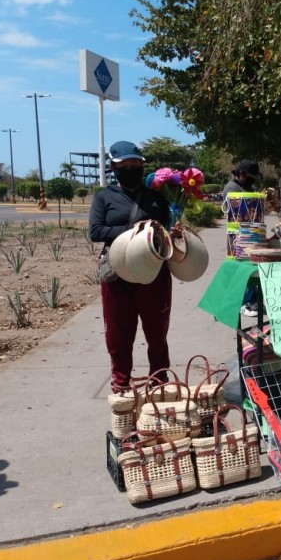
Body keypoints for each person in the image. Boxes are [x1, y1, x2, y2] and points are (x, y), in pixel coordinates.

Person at [88, 141, 172, 392]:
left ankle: (159, 382)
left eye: (135, 163)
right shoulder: (104, 197)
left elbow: (165, 229)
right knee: (118, 334)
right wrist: (133, 230)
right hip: (118, 274)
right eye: (125, 164)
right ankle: (121, 384)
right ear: (114, 167)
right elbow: (95, 231)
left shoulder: (156, 197)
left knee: (157, 333)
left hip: (154, 273)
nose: (131, 168)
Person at [222, 160, 264, 317]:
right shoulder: (231, 189)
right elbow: (237, 212)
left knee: (252, 269)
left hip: (252, 234)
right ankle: (244, 303)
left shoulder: (249, 187)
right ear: (241, 174)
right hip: (238, 236)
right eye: (250, 177)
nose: (253, 181)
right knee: (241, 270)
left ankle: (252, 301)